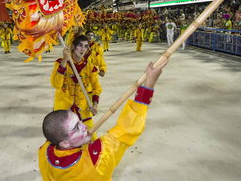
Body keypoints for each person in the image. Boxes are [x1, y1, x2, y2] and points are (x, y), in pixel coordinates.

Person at [39, 59, 168, 181]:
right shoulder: (96, 160)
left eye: (79, 122)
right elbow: (126, 130)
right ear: (65, 143)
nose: (84, 126)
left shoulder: (44, 152)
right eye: (76, 128)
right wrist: (149, 84)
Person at [50, 35, 102, 136]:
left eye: (86, 46)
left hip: (83, 110)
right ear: (73, 46)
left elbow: (96, 88)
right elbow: (56, 84)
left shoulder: (90, 67)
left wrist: (95, 105)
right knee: (63, 142)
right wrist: (65, 60)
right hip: (63, 110)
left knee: (90, 138)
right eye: (80, 45)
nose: (83, 49)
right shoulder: (60, 63)